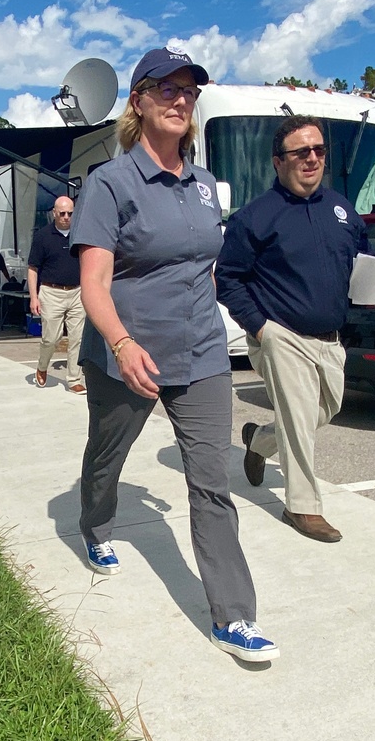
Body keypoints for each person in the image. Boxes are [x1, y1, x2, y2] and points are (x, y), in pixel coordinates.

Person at [71, 47, 277, 663]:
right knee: (108, 456)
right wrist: (124, 343)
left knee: (212, 483)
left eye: (188, 90)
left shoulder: (207, 186)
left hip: (203, 354)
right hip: (127, 355)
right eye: (166, 89)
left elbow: (206, 268)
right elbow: (94, 286)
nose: (180, 100)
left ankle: (233, 617)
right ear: (138, 102)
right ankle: (94, 522)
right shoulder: (111, 184)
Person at [215, 115, 375, 543]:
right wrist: (259, 329)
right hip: (280, 336)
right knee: (298, 416)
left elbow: (364, 271)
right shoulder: (255, 218)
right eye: (301, 151)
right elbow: (228, 277)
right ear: (278, 161)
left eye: (319, 150)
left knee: (322, 411)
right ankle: (302, 507)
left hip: (331, 340)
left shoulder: (343, 211)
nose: (312, 158)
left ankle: (259, 442)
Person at [28, 196, 85, 393]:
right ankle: (42, 367)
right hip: (51, 292)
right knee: (52, 338)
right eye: (62, 213)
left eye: (70, 213)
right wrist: (34, 297)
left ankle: (74, 379)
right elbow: (33, 268)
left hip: (77, 292)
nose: (66, 217)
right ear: (54, 213)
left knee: (77, 337)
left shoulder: (80, 234)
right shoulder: (42, 236)